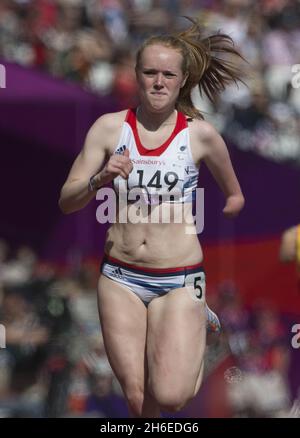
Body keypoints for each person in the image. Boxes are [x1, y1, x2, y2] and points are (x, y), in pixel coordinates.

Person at [59, 18, 245, 418]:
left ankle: (201, 335)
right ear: (136, 77)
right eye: (150, 73)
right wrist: (100, 177)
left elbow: (235, 195)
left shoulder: (200, 135)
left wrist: (229, 204)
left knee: (171, 395)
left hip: (178, 278)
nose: (158, 82)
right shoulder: (109, 129)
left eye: (168, 74)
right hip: (120, 277)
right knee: (140, 400)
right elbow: (67, 200)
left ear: (181, 81)